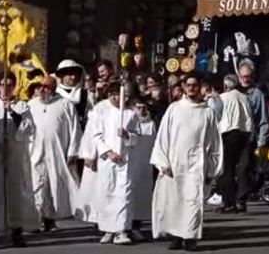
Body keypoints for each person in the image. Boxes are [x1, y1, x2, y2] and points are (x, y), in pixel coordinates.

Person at [150, 73, 222, 251]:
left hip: (196, 165)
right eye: (188, 85)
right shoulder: (174, 109)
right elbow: (163, 137)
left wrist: (212, 169)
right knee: (174, 201)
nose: (191, 88)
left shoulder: (207, 112)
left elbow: (214, 142)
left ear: (199, 87)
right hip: (175, 163)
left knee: (193, 202)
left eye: (195, 85)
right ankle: (175, 237)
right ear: (183, 86)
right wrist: (162, 162)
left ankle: (190, 237)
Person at [0, 73, 39, 249]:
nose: (6, 88)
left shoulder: (22, 106)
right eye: (3, 84)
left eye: (10, 84)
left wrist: (12, 111)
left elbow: (29, 128)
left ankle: (16, 231)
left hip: (15, 154)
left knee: (15, 192)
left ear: (15, 86)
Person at [28, 75, 81, 232]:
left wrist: (73, 151)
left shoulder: (65, 105)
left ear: (53, 88)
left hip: (57, 153)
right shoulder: (31, 105)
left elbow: (75, 130)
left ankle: (50, 220)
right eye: (40, 86)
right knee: (35, 185)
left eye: (47, 87)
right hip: (35, 152)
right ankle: (35, 220)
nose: (43, 90)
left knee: (53, 186)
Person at [90, 82, 139, 245]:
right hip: (107, 160)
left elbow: (136, 137)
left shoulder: (131, 114)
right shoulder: (101, 111)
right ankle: (107, 229)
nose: (114, 97)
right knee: (107, 193)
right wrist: (108, 152)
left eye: (117, 94)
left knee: (123, 194)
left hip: (125, 160)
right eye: (111, 94)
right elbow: (96, 135)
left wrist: (127, 136)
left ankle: (122, 229)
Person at [216, 74, 254, 214]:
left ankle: (228, 202)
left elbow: (217, 117)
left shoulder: (222, 97)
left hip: (228, 132)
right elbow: (250, 116)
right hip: (245, 133)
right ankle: (241, 200)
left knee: (227, 169)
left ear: (225, 85)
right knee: (242, 168)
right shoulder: (244, 97)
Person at [239, 60, 269, 190]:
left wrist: (261, 141)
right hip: (232, 134)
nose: (246, 79)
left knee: (244, 167)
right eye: (244, 76)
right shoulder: (233, 91)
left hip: (248, 136)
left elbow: (263, 118)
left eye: (248, 76)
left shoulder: (257, 94)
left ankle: (241, 198)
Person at [128, 98, 156, 241]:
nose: (142, 110)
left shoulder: (152, 124)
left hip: (146, 166)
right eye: (138, 107)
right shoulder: (129, 123)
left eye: (144, 107)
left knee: (142, 198)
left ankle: (137, 227)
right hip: (131, 165)